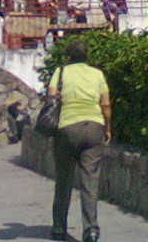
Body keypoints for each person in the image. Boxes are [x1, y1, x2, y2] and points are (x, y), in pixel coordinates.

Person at [47, 40, 111, 242]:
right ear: (86, 56)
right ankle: (91, 230)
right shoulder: (97, 74)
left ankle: (59, 227)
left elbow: (51, 96)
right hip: (94, 128)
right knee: (90, 181)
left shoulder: (61, 72)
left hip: (67, 128)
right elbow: (105, 104)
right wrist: (107, 129)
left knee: (64, 179)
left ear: (68, 57)